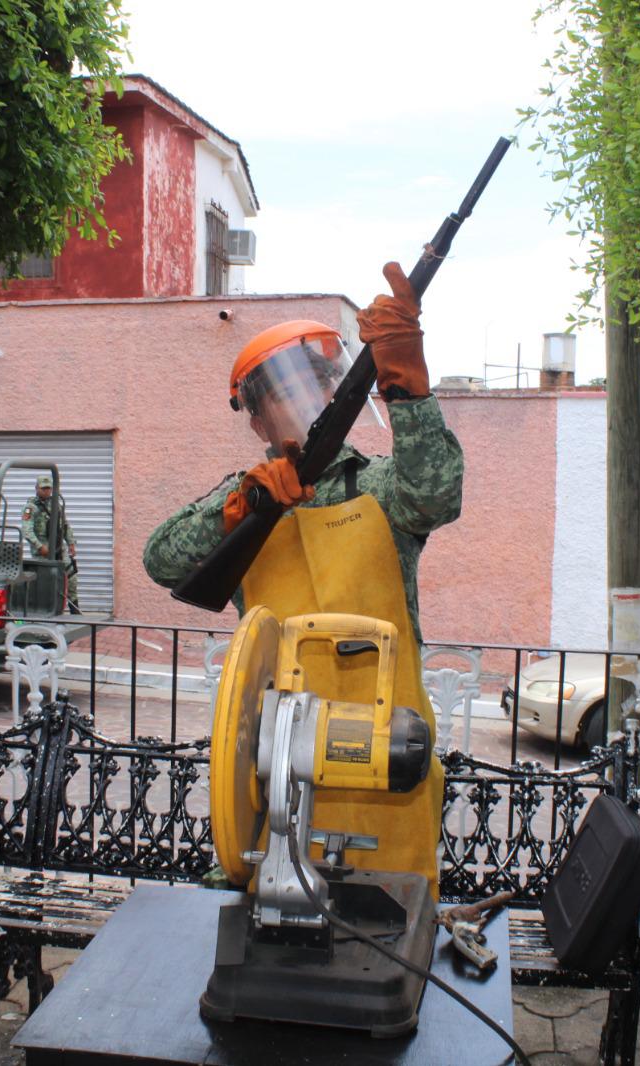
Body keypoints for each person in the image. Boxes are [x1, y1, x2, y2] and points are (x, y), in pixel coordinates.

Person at [143, 261, 463, 893]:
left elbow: (437, 494)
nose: (302, 403)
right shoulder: (247, 504)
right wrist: (239, 508)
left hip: (387, 766)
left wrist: (408, 387)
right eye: (282, 395)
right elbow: (162, 557)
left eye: (314, 386)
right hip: (274, 773)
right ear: (258, 423)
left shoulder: (377, 487)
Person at [23, 476, 78, 612]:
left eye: (49, 488)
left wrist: (70, 542)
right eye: (43, 488)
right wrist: (40, 546)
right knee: (45, 582)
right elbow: (27, 531)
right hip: (43, 551)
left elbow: (64, 525)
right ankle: (42, 610)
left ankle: (74, 610)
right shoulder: (31, 508)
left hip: (58, 548)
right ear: (37, 489)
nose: (47, 491)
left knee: (71, 577)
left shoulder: (55, 505)